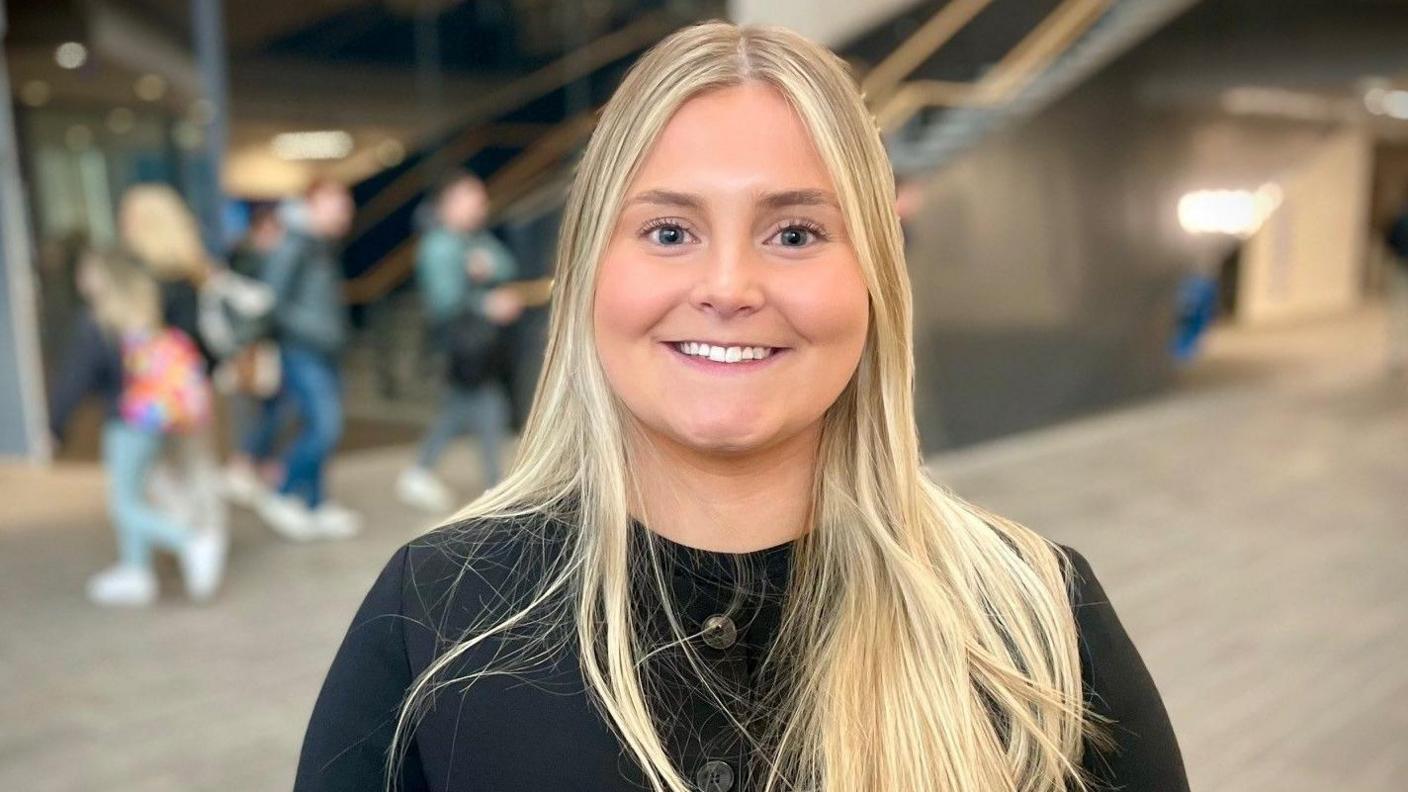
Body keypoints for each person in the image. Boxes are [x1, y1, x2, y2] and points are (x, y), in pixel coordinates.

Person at [296, 22, 1187, 792]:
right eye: (670, 232)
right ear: (588, 276)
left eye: (795, 233)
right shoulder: (437, 615)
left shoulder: (1035, 621)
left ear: (876, 279)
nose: (728, 287)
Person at [48, 251, 226, 607]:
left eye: (87, 271)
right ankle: (136, 571)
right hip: (156, 422)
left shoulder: (97, 323)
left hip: (125, 424)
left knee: (124, 504)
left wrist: (55, 424)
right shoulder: (143, 316)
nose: (81, 278)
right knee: (135, 496)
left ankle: (190, 540)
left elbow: (75, 380)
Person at [396, 171, 522, 512]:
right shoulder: (439, 245)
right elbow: (444, 302)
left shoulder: (472, 239)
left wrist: (484, 269)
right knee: (485, 408)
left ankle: (431, 475)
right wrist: (484, 303)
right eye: (473, 198)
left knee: (467, 411)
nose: (481, 205)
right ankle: (496, 489)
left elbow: (506, 265)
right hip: (458, 347)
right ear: (450, 203)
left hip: (476, 349)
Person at [117, 184, 229, 548]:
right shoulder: (194, 272)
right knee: (197, 466)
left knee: (161, 472)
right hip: (193, 389)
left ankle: (191, 540)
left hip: (157, 394)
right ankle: (207, 536)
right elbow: (207, 341)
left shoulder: (143, 279)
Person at [253, 178, 360, 541]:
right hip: (303, 350)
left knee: (318, 425)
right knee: (325, 427)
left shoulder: (318, 245)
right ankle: (282, 494)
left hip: (323, 351)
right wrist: (315, 330)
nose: (346, 210)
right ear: (313, 203)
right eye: (338, 201)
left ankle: (316, 504)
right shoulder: (295, 244)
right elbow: (272, 300)